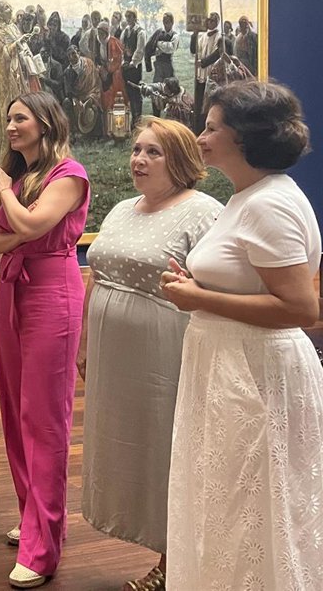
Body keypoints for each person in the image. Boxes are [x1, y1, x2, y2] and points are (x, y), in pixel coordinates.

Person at [160, 81, 323, 590]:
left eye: (211, 129)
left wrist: (198, 298)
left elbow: (300, 308)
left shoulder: (269, 204)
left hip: (255, 372)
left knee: (250, 507)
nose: (200, 138)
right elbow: (247, 277)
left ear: (245, 138)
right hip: (229, 364)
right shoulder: (247, 197)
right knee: (227, 505)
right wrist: (198, 285)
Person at [79, 118, 222, 591]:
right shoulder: (123, 208)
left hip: (166, 352)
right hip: (113, 355)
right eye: (137, 150)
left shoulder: (204, 213)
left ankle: (174, 563)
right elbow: (97, 276)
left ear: (179, 160)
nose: (138, 160)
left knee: (166, 449)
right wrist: (84, 339)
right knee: (128, 445)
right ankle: (158, 546)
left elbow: (215, 287)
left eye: (153, 152)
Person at [0, 91, 90, 589]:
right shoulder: (23, 178)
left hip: (52, 291)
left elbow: (28, 223)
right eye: (8, 118)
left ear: (45, 123)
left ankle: (43, 549)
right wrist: (19, 231)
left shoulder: (69, 174)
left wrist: (4, 193)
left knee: (44, 418)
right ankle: (34, 519)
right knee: (13, 408)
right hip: (12, 288)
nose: (10, 126)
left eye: (20, 118)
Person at [0, 1, 31, 169]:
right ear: (0, 12)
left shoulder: (13, 27)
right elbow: (3, 54)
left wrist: (23, 42)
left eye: (10, 8)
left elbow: (18, 46)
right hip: (5, 77)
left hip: (17, 73)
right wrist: (18, 43)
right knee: (7, 110)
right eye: (6, 9)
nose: (9, 11)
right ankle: (6, 155)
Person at [189, 12, 223, 132]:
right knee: (198, 101)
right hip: (201, 74)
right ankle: (197, 128)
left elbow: (217, 54)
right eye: (209, 20)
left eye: (213, 21)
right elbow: (194, 50)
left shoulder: (219, 37)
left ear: (217, 23)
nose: (210, 23)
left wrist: (203, 62)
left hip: (211, 72)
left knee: (208, 102)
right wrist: (194, 35)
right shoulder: (203, 36)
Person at [143, 13, 178, 116]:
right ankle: (156, 115)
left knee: (170, 91)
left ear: (172, 23)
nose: (166, 24)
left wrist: (158, 44)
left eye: (168, 22)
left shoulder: (175, 35)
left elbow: (171, 47)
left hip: (168, 67)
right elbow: (148, 47)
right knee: (155, 91)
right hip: (158, 67)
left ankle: (170, 116)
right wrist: (154, 52)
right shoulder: (158, 32)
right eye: (164, 22)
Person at [120, 9, 146, 127]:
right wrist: (123, 61)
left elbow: (140, 50)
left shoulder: (140, 32)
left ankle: (138, 119)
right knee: (128, 93)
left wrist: (132, 62)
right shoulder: (125, 31)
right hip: (125, 66)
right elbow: (121, 48)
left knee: (136, 93)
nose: (128, 19)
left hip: (135, 67)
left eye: (130, 17)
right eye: (127, 17)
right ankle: (132, 120)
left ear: (135, 18)